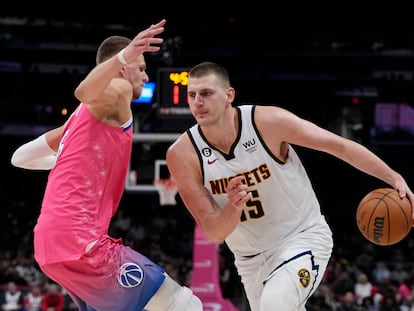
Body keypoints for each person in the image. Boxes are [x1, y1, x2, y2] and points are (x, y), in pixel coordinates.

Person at [165, 61, 414, 311]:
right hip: (250, 261)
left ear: (229, 95)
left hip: (301, 238)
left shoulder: (267, 122)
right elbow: (215, 233)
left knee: (275, 304)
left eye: (206, 93)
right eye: (192, 95)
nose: (197, 102)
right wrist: (232, 206)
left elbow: (339, 146)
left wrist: (394, 178)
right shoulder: (182, 154)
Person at [11, 19, 202, 311]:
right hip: (80, 240)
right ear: (122, 68)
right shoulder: (118, 90)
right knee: (183, 304)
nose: (146, 75)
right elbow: (84, 92)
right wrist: (125, 55)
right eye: (141, 67)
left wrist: (66, 162)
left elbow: (19, 157)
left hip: (50, 246)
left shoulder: (76, 122)